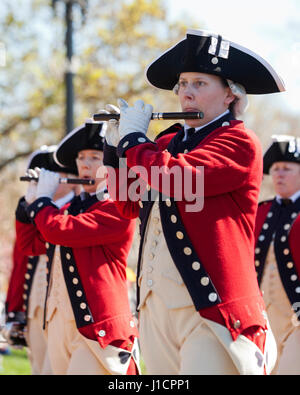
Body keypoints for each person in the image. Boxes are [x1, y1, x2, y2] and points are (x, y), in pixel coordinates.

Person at [102, 29, 285, 375]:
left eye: (200, 83)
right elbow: (127, 204)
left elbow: (174, 179)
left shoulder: (238, 141)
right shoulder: (166, 142)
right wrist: (115, 148)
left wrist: (134, 140)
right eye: (183, 83)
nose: (186, 92)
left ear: (231, 93)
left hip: (209, 308)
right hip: (155, 308)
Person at [15, 120, 139, 375]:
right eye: (82, 157)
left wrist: (41, 203)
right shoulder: (67, 211)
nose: (84, 164)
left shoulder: (116, 207)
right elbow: (30, 245)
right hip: (60, 325)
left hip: (97, 328)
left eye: (95, 157)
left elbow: (60, 230)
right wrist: (26, 206)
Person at [5, 145, 79, 374]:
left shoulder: (77, 207)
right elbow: (20, 264)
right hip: (35, 304)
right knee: (40, 368)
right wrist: (14, 310)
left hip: (70, 304)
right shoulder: (27, 210)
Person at [254, 135, 300, 375]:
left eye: (287, 169)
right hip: (264, 318)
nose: (279, 174)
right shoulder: (261, 210)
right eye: (276, 169)